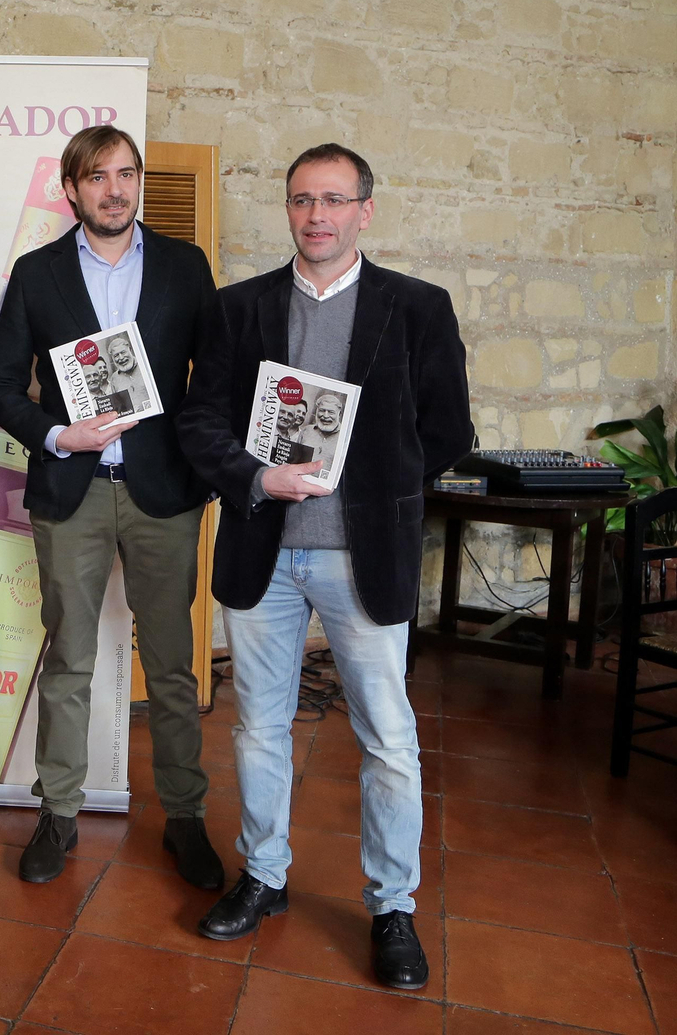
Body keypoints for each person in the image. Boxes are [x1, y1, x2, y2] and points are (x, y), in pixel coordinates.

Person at [177, 143, 471, 990]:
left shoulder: (417, 308)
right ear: (289, 208)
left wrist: (377, 483)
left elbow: (449, 428)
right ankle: (263, 877)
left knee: (388, 741)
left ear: (364, 212)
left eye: (335, 200)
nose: (317, 216)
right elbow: (201, 423)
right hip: (263, 548)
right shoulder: (240, 309)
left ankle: (392, 906)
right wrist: (255, 475)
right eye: (303, 199)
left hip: (362, 554)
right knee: (258, 727)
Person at [0, 124, 223, 889]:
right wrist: (56, 432)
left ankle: (184, 816)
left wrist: (203, 462)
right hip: (72, 493)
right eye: (97, 178)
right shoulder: (37, 273)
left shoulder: (185, 267)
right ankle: (58, 813)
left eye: (126, 175)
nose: (114, 190)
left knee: (174, 668)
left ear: (137, 180)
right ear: (72, 190)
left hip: (164, 498)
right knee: (71, 660)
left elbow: (214, 381)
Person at [297, 391, 346, 472]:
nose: (325, 416)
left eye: (331, 412)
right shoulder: (306, 431)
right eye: (322, 410)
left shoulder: (345, 437)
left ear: (339, 414)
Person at [107, 334, 151, 411]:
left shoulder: (145, 365)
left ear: (130, 350)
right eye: (116, 355)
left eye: (123, 352)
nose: (121, 358)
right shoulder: (114, 379)